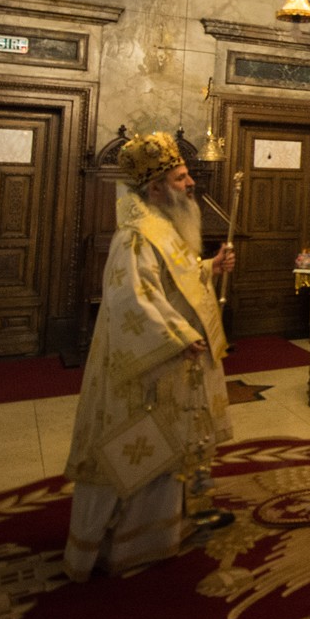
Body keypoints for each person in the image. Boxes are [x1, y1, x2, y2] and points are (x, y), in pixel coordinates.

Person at [64, 132, 236, 582]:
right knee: (143, 449)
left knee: (171, 445)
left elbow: (173, 278)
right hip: (147, 364)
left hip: (175, 360)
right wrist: (178, 335)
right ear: (156, 188)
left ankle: (169, 529)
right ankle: (126, 544)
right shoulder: (137, 236)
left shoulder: (164, 227)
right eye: (181, 178)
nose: (191, 184)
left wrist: (209, 268)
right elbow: (131, 298)